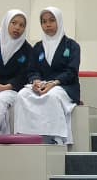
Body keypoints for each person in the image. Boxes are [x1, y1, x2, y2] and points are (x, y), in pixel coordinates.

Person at [16, 9, 81, 144]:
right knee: (22, 94)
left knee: (51, 96)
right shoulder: (38, 47)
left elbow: (71, 72)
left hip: (65, 86)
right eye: (44, 22)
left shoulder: (72, 46)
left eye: (52, 20)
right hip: (43, 85)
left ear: (59, 22)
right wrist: (36, 81)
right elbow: (32, 70)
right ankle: (26, 136)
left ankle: (55, 138)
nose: (48, 24)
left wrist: (54, 83)